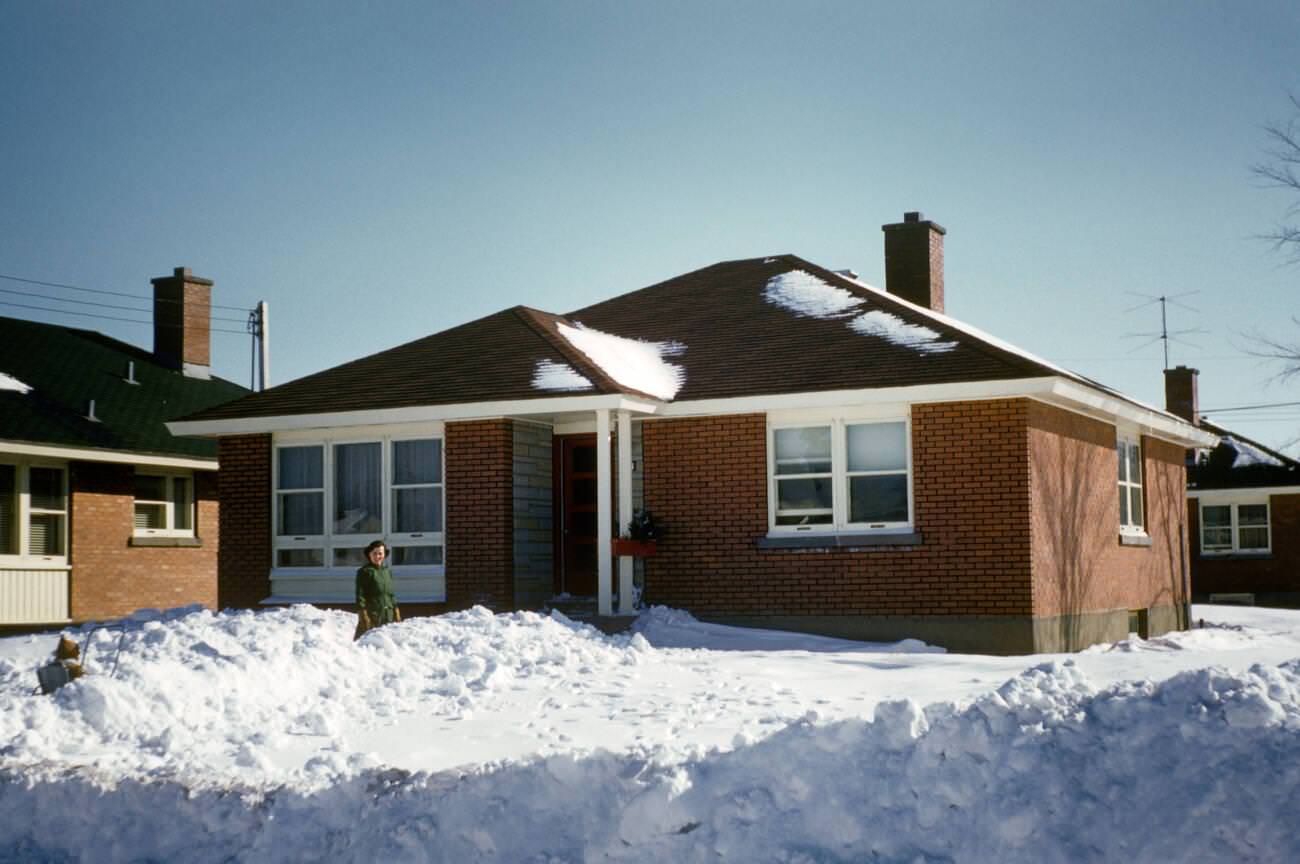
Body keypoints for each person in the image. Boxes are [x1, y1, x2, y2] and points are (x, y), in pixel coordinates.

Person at [354, 540, 401, 640]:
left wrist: (396, 611)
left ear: (384, 555)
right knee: (365, 646)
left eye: (380, 553)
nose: (377, 556)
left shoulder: (387, 571)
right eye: (374, 553)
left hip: (388, 616)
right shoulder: (364, 572)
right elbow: (360, 595)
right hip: (372, 617)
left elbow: (390, 594)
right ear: (369, 554)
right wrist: (363, 615)